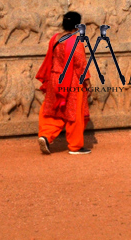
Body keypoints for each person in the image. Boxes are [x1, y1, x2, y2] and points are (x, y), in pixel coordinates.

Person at [36, 11, 91, 155]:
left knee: (54, 110)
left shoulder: (55, 38)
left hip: (55, 78)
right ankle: (75, 146)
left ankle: (46, 136)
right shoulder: (76, 41)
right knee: (74, 112)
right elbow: (80, 64)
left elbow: (51, 58)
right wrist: (87, 81)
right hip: (71, 81)